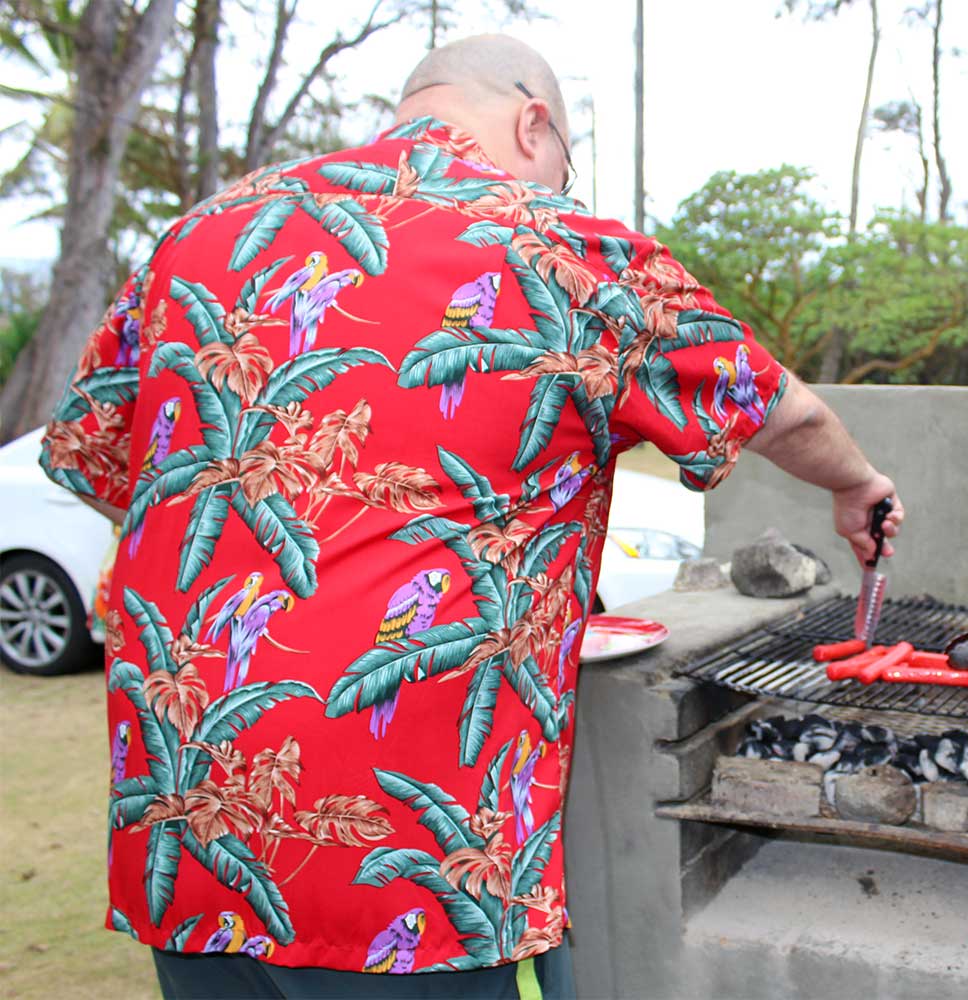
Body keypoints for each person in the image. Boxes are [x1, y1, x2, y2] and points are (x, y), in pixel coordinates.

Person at [38, 34, 903, 1000]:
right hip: (398, 861)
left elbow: (100, 462)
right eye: (565, 160)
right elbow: (786, 409)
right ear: (533, 120)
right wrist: (856, 484)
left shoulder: (196, 236)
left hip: (184, 819)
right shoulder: (562, 249)